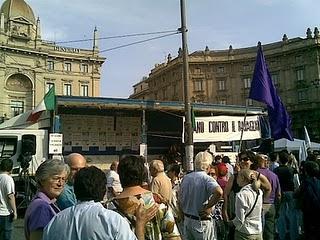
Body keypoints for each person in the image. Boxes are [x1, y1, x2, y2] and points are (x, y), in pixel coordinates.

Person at [43, 166, 157, 240]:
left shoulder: (55, 221)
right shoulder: (113, 221)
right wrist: (140, 226)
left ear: (75, 190)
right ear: (103, 191)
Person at [114, 155, 181, 240]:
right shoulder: (158, 202)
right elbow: (173, 236)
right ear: (142, 175)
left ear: (120, 176)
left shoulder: (109, 207)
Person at [179, 151, 223, 240]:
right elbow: (219, 192)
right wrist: (209, 206)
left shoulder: (186, 178)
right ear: (209, 165)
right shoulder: (207, 178)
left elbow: (180, 198)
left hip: (188, 220)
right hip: (201, 222)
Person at [24, 159, 69, 240]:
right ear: (42, 180)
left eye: (64, 179)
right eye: (56, 178)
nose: (60, 183)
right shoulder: (41, 207)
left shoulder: (48, 202)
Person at [230, 169, 263, 240]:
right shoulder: (259, 192)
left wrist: (231, 223)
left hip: (245, 232)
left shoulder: (241, 195)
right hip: (258, 230)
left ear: (243, 178)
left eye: (238, 177)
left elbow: (240, 219)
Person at [256, 154, 281, 240]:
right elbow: (279, 195)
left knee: (258, 231)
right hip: (271, 205)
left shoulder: (255, 174)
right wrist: (277, 208)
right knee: (270, 232)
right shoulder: (274, 175)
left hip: (258, 205)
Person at [295, 161, 320, 240]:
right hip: (318, 209)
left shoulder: (305, 182)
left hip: (308, 210)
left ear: (306, 171)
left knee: (309, 231)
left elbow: (296, 194)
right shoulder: (319, 181)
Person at [0, 158, 17, 240]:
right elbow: (10, 196)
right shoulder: (8, 179)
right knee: (6, 236)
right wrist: (15, 211)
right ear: (11, 168)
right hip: (5, 212)